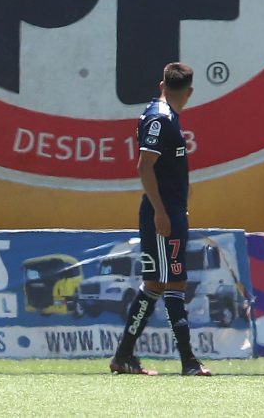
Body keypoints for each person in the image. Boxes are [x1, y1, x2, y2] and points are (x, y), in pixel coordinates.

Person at [109, 62, 212, 376]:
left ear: (161, 85)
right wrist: (161, 211)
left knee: (154, 283)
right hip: (162, 213)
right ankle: (189, 362)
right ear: (190, 92)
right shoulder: (160, 118)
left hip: (169, 210)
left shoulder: (164, 116)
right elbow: (144, 166)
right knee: (175, 282)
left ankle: (123, 357)